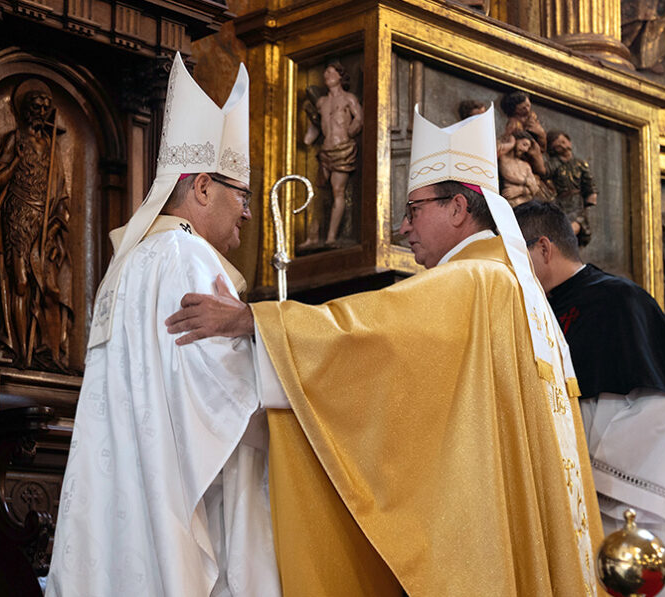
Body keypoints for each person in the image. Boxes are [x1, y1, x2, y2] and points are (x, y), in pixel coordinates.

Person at [166, 105, 607, 596]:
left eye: (414, 210)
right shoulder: (519, 292)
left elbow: (368, 336)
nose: (403, 227)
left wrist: (253, 319)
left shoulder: (476, 280)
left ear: (458, 208)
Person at [46, 55, 280, 596]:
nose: (246, 213)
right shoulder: (187, 258)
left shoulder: (129, 263)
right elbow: (228, 402)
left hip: (123, 508)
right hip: (172, 511)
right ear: (201, 187)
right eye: (240, 195)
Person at [515, 199, 665, 597]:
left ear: (543, 248)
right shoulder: (531, 310)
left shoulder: (620, 301)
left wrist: (579, 471)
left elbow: (663, 409)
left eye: (515, 255)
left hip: (618, 505)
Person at [0, 78, 73, 371]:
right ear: (24, 110)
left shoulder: (52, 148)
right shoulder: (15, 140)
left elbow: (61, 194)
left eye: (45, 107)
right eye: (35, 106)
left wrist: (58, 223)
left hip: (44, 224)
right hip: (17, 217)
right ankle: (19, 351)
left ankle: (47, 352)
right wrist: (13, 164)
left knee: (49, 290)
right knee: (20, 283)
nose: (40, 111)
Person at [302, 61, 363, 248]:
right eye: (325, 73)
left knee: (338, 191)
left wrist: (347, 135)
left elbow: (359, 118)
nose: (327, 75)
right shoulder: (322, 102)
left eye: (331, 72)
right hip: (325, 151)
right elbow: (318, 126)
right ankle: (312, 237)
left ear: (340, 76)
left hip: (342, 150)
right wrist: (308, 138)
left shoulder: (349, 98)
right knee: (319, 196)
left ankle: (330, 237)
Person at [544, 130, 595, 246]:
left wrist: (591, 196)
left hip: (576, 202)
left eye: (563, 142)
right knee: (562, 228)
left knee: (575, 227)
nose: (562, 146)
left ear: (569, 143)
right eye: (557, 145)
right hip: (561, 202)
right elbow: (545, 171)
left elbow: (588, 182)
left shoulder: (580, 164)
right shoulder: (555, 163)